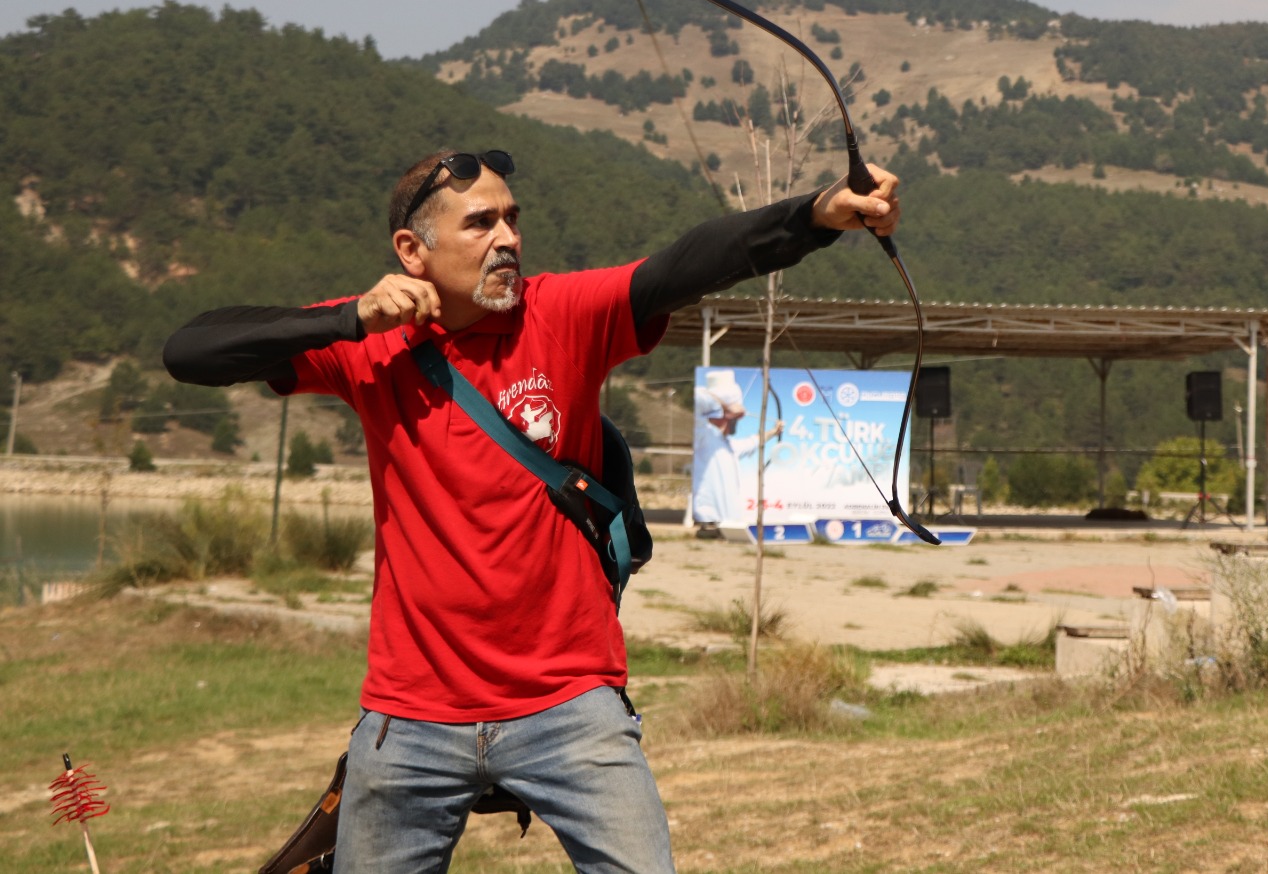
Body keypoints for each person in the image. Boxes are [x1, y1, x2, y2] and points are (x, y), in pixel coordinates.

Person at [162, 148, 901, 873]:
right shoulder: (370, 344)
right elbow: (191, 349)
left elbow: (691, 261)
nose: (509, 238)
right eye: (481, 223)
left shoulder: (563, 314)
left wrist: (816, 216)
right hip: (411, 715)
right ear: (412, 250)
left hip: (570, 703)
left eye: (513, 219)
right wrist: (348, 318)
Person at [689, 373, 782, 535]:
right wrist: (727, 409)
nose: (737, 421)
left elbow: (752, 441)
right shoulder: (703, 434)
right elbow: (698, 396)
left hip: (727, 524)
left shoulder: (727, 444)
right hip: (708, 522)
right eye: (735, 419)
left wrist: (774, 432)